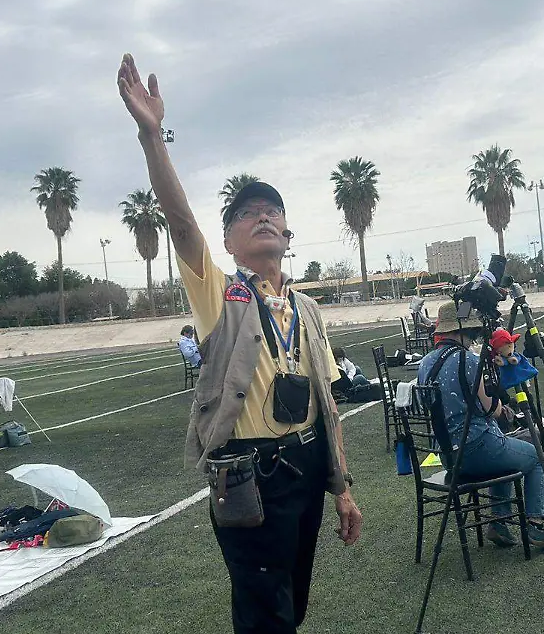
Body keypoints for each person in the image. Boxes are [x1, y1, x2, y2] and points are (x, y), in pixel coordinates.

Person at [117, 53, 361, 634]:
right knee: (263, 615)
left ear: (287, 233)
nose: (263, 217)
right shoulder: (220, 296)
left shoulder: (306, 307)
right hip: (249, 474)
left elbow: (328, 406)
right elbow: (179, 225)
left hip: (305, 465)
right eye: (247, 213)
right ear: (227, 240)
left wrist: (343, 489)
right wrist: (153, 139)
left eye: (272, 211)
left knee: (293, 604)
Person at [416, 301, 544, 551]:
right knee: (536, 456)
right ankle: (535, 524)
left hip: (448, 456)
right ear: (465, 331)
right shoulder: (469, 360)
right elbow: (490, 409)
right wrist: (501, 401)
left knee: (504, 454)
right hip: (477, 449)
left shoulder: (425, 363)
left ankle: (500, 522)